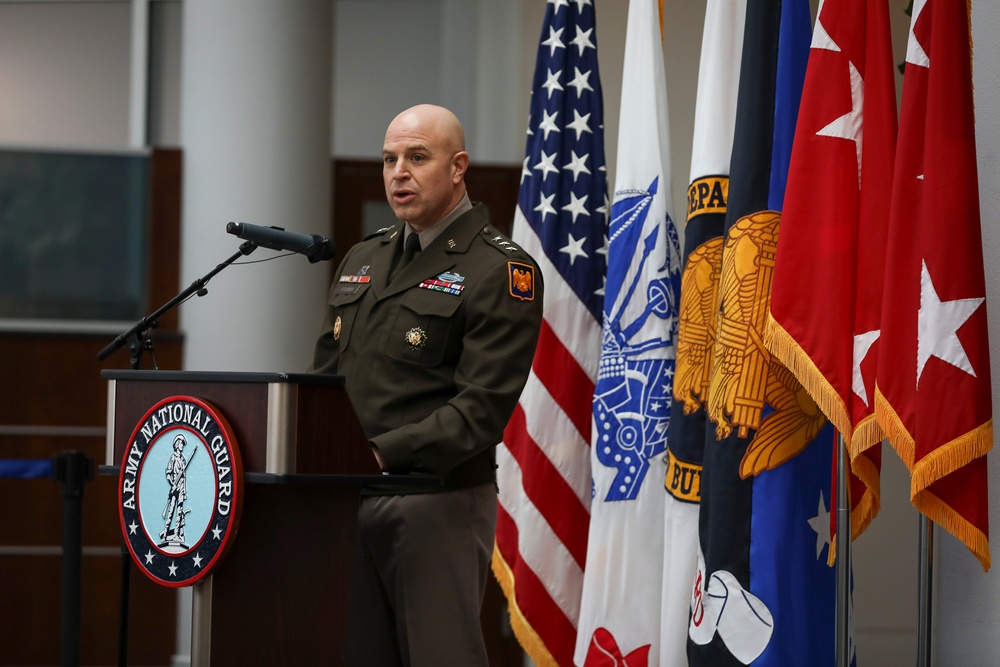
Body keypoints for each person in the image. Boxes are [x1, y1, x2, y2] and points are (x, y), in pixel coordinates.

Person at [309, 104, 544, 666]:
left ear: (458, 166)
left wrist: (376, 453)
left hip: (435, 501)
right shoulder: (364, 256)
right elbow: (323, 381)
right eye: (389, 159)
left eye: (417, 157)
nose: (398, 173)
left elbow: (481, 410)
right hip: (347, 498)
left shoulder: (500, 270)